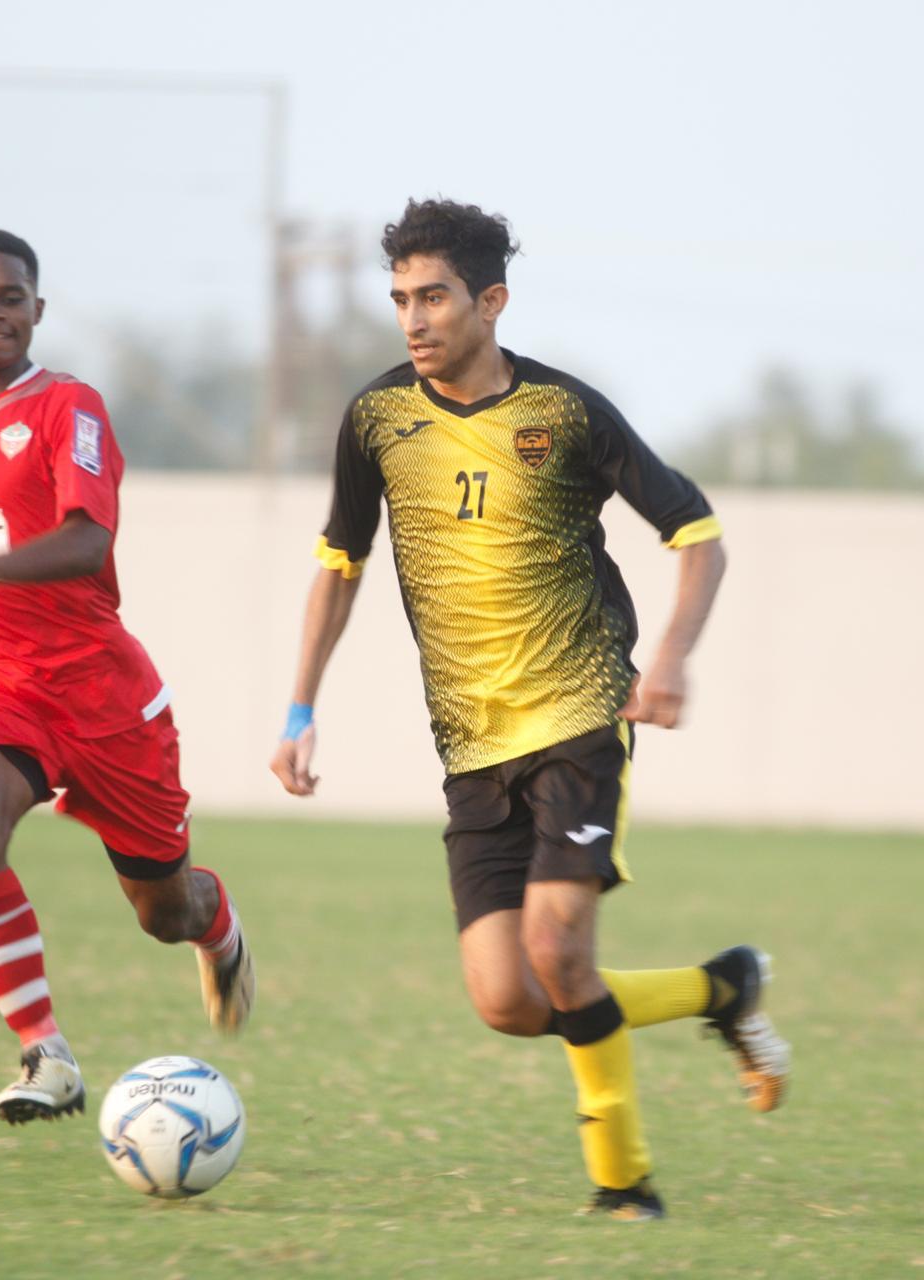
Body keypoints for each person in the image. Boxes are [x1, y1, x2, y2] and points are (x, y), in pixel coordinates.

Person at [270, 198, 789, 1221]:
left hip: (579, 715)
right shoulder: (377, 419)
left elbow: (698, 536)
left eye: (434, 297)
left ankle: (623, 1185)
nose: (413, 319)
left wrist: (670, 659)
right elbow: (339, 563)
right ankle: (721, 988)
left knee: (558, 952)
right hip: (471, 745)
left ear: (491, 301)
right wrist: (298, 709)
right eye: (400, 299)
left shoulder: (567, 412)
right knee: (509, 998)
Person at [0, 228, 254, 1126]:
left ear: (37, 308)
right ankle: (45, 1054)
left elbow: (87, 541)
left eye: (9, 297)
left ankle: (216, 923)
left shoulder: (69, 407)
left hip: (100, 693)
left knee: (162, 910)